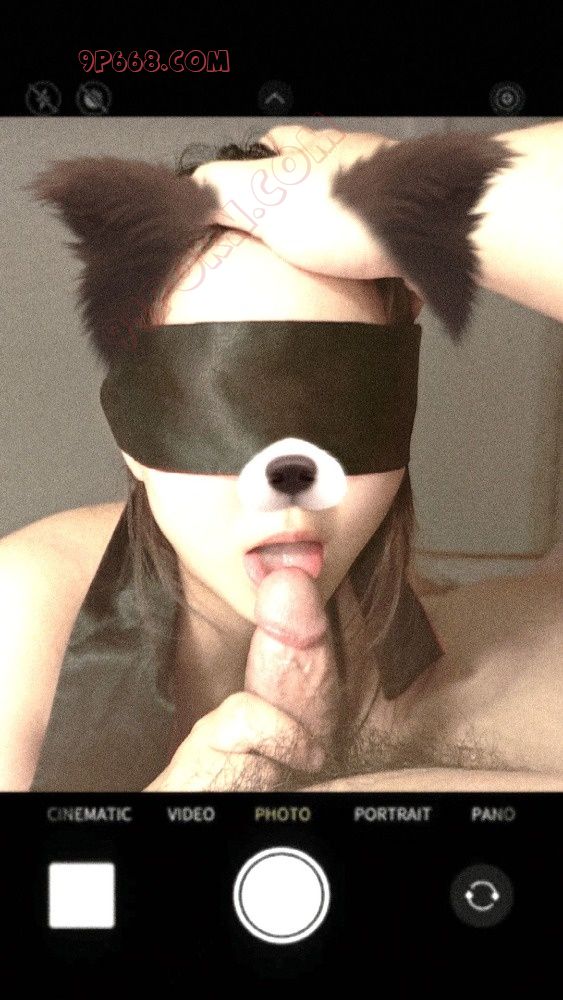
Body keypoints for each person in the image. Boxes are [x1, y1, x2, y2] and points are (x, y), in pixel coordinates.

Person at [21, 126, 563, 792]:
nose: (288, 478)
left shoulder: (455, 649)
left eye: (344, 403)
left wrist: (415, 204)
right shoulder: (20, 628)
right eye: (221, 403)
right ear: (130, 431)